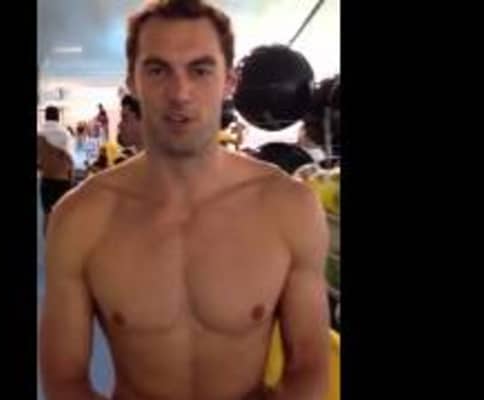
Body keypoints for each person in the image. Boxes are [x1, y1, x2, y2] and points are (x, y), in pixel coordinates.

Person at [40, 1, 330, 399]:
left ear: (229, 82)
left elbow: (309, 367)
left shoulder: (288, 207)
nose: (180, 93)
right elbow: (64, 378)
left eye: (200, 70)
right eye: (158, 70)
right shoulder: (81, 217)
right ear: (133, 81)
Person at [37, 105, 74, 235]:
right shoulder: (65, 134)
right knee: (63, 215)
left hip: (46, 180)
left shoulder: (39, 135)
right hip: (62, 180)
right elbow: (70, 160)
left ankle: (48, 244)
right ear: (58, 117)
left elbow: (39, 162)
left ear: (46, 117)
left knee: (47, 215)